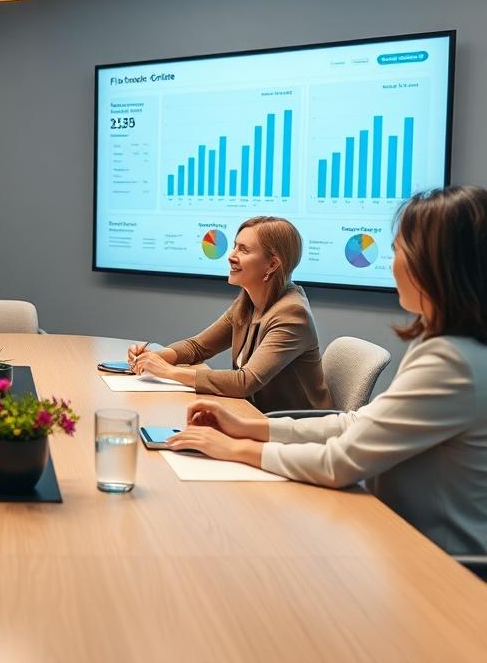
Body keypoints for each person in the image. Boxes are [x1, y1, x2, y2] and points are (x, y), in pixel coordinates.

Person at [167, 187, 487, 555]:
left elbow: (340, 463)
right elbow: (356, 424)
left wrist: (234, 448)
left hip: (441, 568)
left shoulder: (451, 363)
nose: (392, 261)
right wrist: (252, 427)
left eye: (400, 250)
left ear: (437, 265)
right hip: (402, 544)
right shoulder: (441, 345)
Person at [127, 216, 332, 413]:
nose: (231, 256)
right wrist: (156, 358)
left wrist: (168, 372)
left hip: (298, 432)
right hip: (257, 416)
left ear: (272, 264)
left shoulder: (292, 314)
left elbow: (245, 382)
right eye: (235, 246)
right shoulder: (248, 302)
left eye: (243, 250)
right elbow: (198, 347)